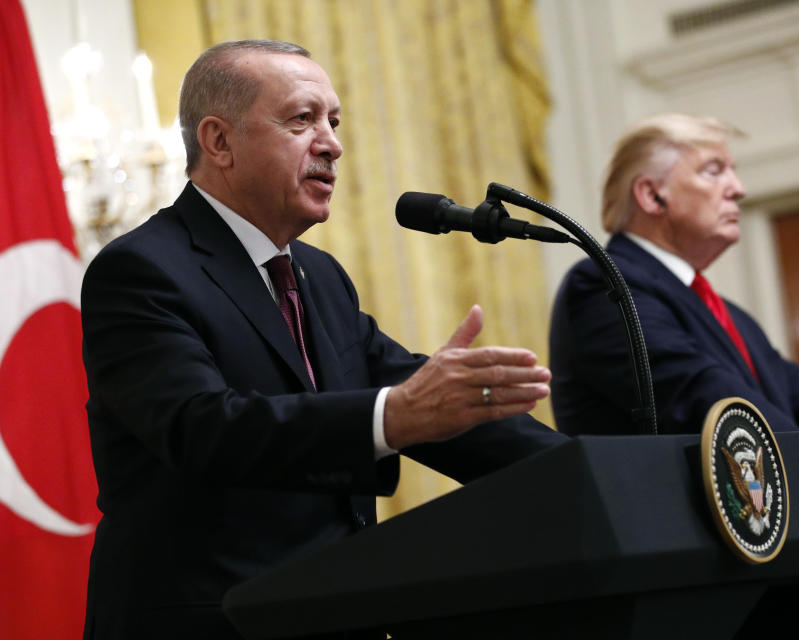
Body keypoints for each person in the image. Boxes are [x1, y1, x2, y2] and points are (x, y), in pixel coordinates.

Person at [80, 40, 565, 640]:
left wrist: (582, 470)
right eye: (302, 119)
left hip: (330, 615)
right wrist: (396, 416)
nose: (332, 143)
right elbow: (204, 427)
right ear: (219, 141)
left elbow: (412, 392)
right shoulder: (141, 270)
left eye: (333, 122)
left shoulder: (320, 277)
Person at [549, 113, 799, 536]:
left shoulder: (728, 315)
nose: (737, 189)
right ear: (652, 195)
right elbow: (701, 393)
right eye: (713, 171)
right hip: (671, 561)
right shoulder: (603, 286)